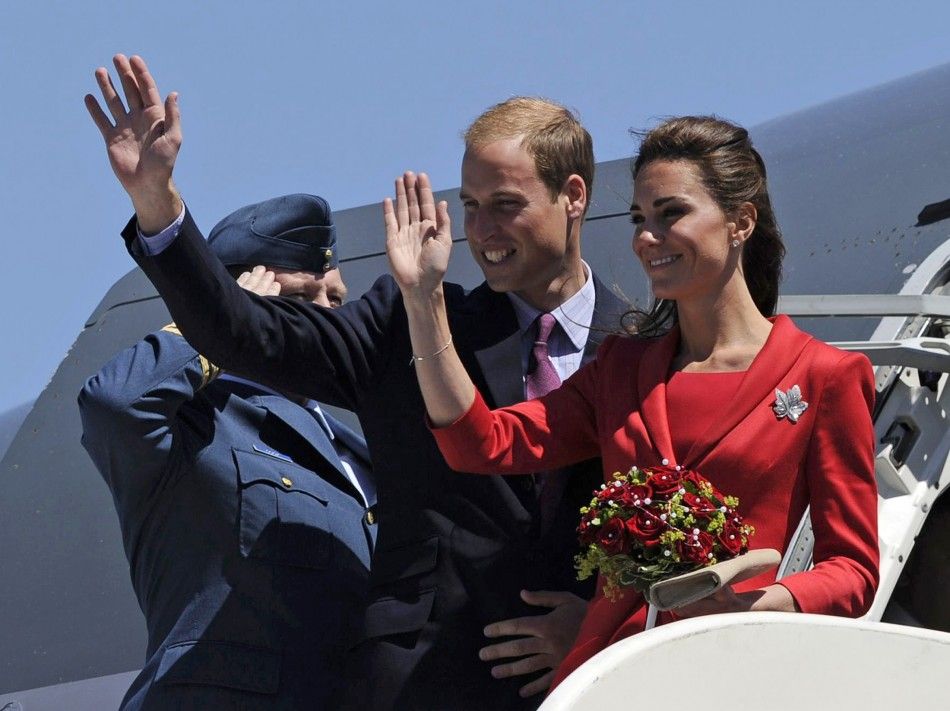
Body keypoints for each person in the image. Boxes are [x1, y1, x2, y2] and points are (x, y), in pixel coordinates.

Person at [85, 55, 628, 708]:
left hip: (597, 685)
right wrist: (157, 203)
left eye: (505, 206)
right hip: (425, 686)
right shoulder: (411, 324)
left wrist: (602, 625)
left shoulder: (646, 348)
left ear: (574, 197)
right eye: (472, 207)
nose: (482, 232)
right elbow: (238, 332)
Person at [386, 115, 880, 690]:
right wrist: (422, 301)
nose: (647, 237)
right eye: (639, 219)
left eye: (671, 214)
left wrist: (760, 604)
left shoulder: (826, 376)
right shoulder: (620, 369)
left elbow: (854, 570)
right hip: (616, 679)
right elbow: (482, 443)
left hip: (742, 676)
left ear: (741, 220)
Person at [79, 193, 376, 710]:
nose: (330, 315)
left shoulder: (359, 452)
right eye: (305, 298)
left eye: (336, 299)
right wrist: (214, 327)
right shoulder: (199, 418)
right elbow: (115, 403)